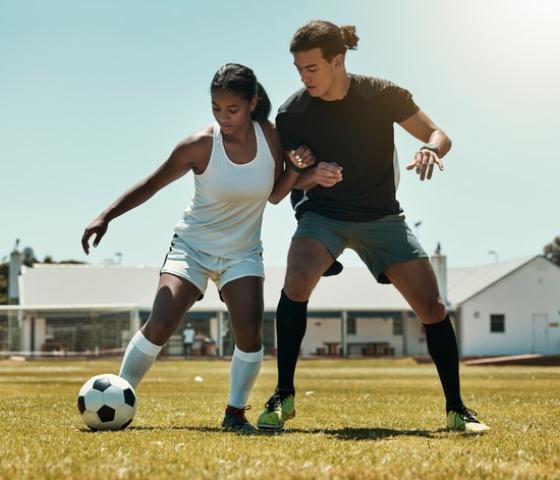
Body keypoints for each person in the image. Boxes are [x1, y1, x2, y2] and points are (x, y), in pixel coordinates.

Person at [256, 21, 489, 433]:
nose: (303, 76)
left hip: (382, 217)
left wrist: (429, 150)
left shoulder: (383, 95)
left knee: (432, 307)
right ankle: (283, 395)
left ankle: (457, 408)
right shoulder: (293, 113)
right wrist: (312, 174)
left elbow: (439, 134)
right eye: (298, 68)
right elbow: (285, 185)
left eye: (312, 67)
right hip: (322, 215)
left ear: (338, 61)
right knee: (296, 280)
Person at [81, 63, 315, 432]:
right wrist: (106, 216)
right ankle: (119, 396)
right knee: (161, 322)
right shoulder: (200, 145)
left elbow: (273, 196)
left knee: (250, 334)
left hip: (242, 253)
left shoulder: (271, 137)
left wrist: (297, 169)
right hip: (191, 248)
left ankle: (235, 414)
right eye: (216, 109)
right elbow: (152, 183)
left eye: (232, 110)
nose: (224, 117)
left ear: (253, 103)